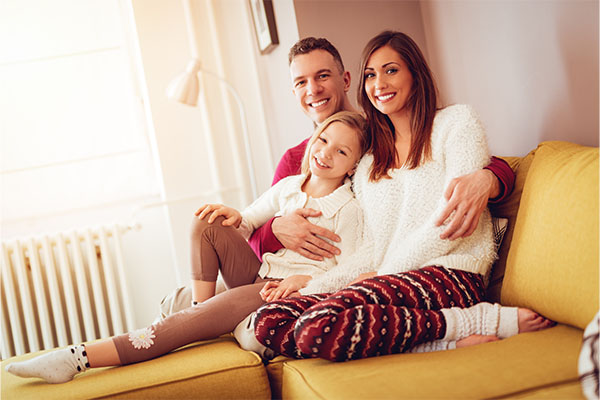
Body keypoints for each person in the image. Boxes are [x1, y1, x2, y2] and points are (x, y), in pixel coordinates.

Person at [156, 36, 516, 317]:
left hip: (346, 273)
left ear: (345, 80)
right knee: (180, 299)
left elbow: (476, 167)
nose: (313, 90)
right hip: (287, 274)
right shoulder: (295, 159)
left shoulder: (381, 134)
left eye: (322, 76)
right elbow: (256, 242)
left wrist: (490, 178)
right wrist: (275, 228)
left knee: (209, 308)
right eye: (301, 82)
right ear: (294, 91)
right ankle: (193, 306)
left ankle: (201, 310)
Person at [252, 31, 553, 362]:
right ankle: (440, 342)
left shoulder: (456, 124)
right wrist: (315, 283)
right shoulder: (367, 162)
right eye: (371, 74)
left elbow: (449, 224)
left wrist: (383, 274)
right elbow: (371, 247)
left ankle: (477, 319)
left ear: (415, 74)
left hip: (450, 273)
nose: (379, 83)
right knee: (271, 321)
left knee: (315, 327)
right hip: (391, 280)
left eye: (391, 70)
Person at [5, 111, 371, 383]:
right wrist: (231, 215)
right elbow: (245, 222)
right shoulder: (291, 185)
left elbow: (350, 270)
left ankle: (76, 358)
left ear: (354, 164)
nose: (325, 153)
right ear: (315, 137)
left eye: (341, 152)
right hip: (260, 272)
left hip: (279, 291)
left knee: (180, 322)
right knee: (207, 221)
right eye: (323, 140)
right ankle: (203, 310)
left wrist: (302, 282)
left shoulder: (349, 208)